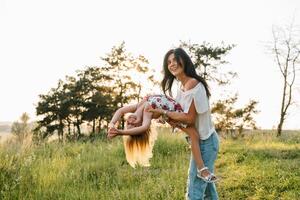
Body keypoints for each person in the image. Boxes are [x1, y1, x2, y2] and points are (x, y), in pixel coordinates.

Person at [107, 94, 218, 183]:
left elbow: (120, 111)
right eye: (134, 125)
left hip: (174, 108)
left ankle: (193, 147)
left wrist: (112, 124)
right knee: (194, 135)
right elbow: (145, 127)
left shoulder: (138, 105)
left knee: (193, 135)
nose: (130, 121)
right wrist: (121, 132)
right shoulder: (147, 112)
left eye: (128, 124)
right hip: (175, 113)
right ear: (140, 126)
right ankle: (201, 169)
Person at [156, 47, 220, 200]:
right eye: (169, 62)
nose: (172, 64)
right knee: (208, 191)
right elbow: (178, 115)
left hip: (206, 142)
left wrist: (165, 114)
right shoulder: (182, 87)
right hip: (201, 142)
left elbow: (189, 118)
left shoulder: (192, 84)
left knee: (194, 190)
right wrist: (166, 117)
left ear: (184, 61)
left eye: (175, 60)